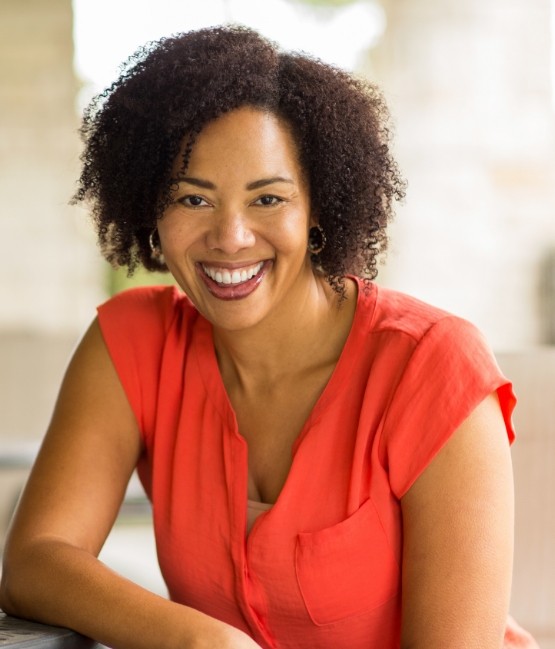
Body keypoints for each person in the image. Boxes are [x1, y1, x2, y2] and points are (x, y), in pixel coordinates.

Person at [0, 26, 537, 649]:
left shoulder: (432, 365)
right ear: (151, 208)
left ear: (317, 211)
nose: (230, 236)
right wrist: (203, 641)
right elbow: (37, 558)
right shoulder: (134, 344)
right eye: (192, 198)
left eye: (268, 198)